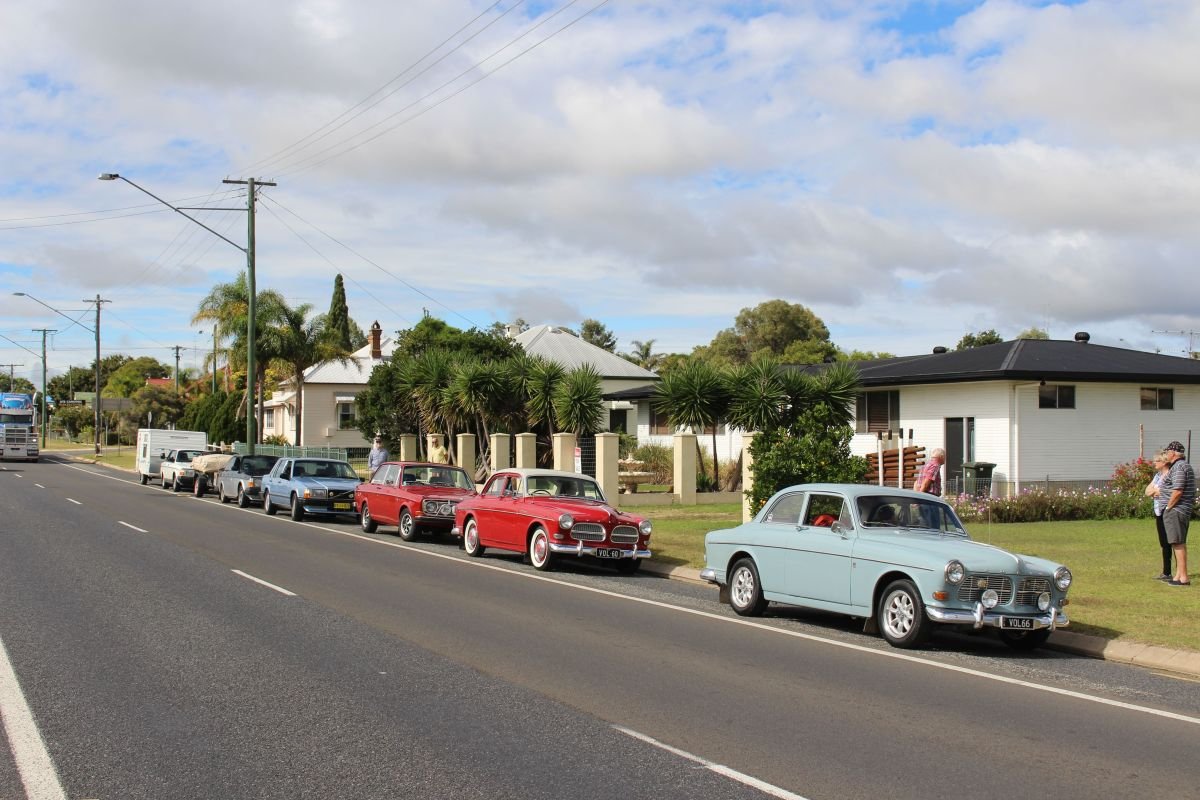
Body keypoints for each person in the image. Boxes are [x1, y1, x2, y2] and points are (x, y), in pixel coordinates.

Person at [1162, 441, 1194, 587]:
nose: (1166, 454)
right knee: (1178, 542)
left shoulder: (1179, 467)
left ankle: (1184, 578)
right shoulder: (1182, 466)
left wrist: (1169, 507)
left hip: (1177, 509)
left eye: (1167, 451)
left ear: (1173, 453)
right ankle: (1178, 575)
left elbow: (1178, 490)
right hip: (1180, 509)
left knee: (1178, 543)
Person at [1144, 451, 1173, 580]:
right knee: (1163, 542)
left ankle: (1171, 572)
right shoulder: (1157, 476)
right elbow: (1147, 491)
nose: (1154, 463)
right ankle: (1166, 572)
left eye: (1157, 461)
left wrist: (1157, 491)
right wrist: (1155, 491)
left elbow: (1168, 492)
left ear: (1164, 462)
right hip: (1158, 512)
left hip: (1167, 510)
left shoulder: (1170, 475)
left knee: (1170, 542)